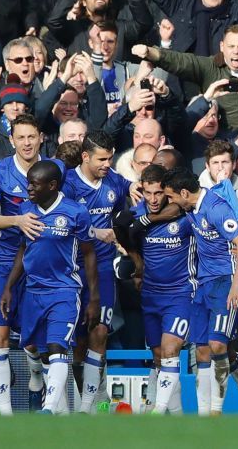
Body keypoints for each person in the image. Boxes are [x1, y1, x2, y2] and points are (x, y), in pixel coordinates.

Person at [0, 113, 64, 415]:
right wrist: (18, 219)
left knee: (35, 343)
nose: (27, 143)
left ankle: (37, 377)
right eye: (21, 137)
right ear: (12, 140)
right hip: (3, 261)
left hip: (43, 265)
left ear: (41, 137)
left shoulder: (56, 170)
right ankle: (5, 415)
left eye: (32, 136)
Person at [1, 160, 99, 414]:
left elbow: (89, 253)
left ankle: (47, 409)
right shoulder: (26, 210)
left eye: (34, 183)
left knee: (58, 348)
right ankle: (60, 415)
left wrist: (94, 297)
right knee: (39, 352)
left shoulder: (75, 212)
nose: (28, 187)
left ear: (52, 185)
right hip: (33, 292)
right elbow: (23, 249)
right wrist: (9, 287)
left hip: (64, 291)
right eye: (28, 182)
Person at [160, 166, 238, 415]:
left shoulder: (216, 208)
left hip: (227, 282)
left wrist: (237, 284)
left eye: (171, 196)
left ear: (184, 193)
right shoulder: (192, 207)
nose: (169, 202)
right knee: (206, 349)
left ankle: (216, 413)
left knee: (217, 345)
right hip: (204, 284)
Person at [62, 129, 138, 413]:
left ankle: (86, 407)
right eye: (102, 159)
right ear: (85, 157)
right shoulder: (67, 184)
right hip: (72, 268)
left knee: (100, 331)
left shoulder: (114, 183)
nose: (108, 164)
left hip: (103, 267)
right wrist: (96, 230)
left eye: (111, 158)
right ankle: (93, 400)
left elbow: (122, 208)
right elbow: (62, 223)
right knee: (79, 340)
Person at [123, 164, 195, 413]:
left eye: (158, 193)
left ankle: (156, 412)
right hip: (151, 294)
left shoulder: (184, 216)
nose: (153, 199)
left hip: (180, 293)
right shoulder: (135, 213)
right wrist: (138, 265)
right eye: (148, 193)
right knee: (158, 357)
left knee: (170, 349)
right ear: (141, 190)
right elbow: (126, 237)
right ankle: (175, 417)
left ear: (166, 191)